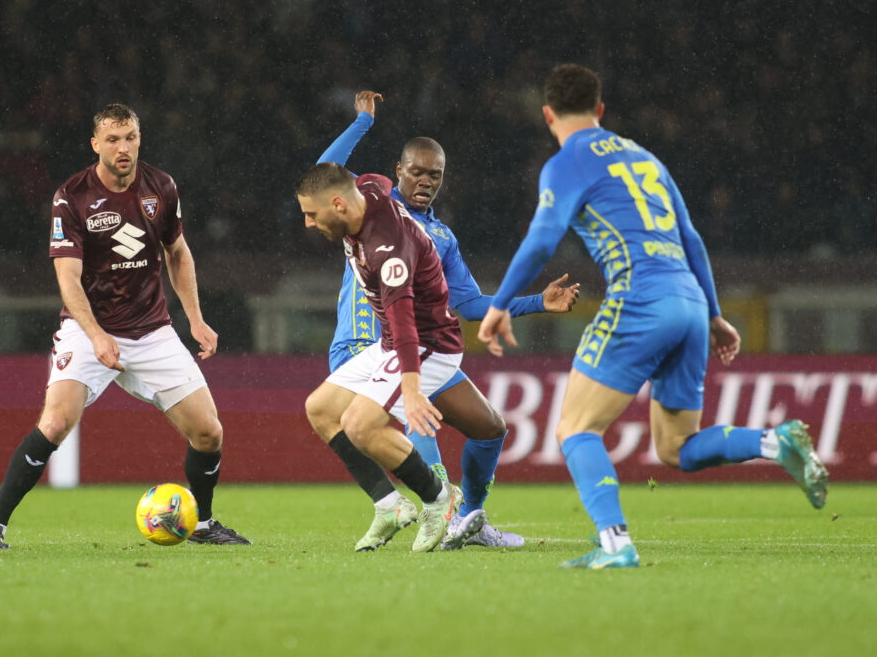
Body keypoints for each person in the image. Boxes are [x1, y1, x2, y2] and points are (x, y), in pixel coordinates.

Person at [478, 64, 830, 569]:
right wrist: (714, 315)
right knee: (677, 447)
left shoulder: (565, 162)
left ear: (548, 114)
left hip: (639, 299)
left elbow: (541, 240)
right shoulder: (645, 157)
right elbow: (692, 239)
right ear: (600, 110)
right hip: (689, 302)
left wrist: (499, 305)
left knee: (575, 429)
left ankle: (615, 544)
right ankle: (775, 441)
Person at [0, 103, 249, 549]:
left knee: (209, 432)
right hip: (88, 329)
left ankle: (202, 523)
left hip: (152, 330)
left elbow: (178, 253)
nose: (123, 148)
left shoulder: (161, 186)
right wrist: (97, 335)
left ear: (139, 139)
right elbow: (67, 278)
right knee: (55, 422)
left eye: (130, 138)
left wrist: (195, 318)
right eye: (113, 139)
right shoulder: (71, 196)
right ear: (95, 144)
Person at [317, 91, 579, 551]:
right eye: (416, 172)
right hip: (366, 345)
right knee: (419, 419)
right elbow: (323, 176)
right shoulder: (372, 204)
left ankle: (467, 519)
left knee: (490, 427)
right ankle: (439, 508)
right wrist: (362, 123)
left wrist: (538, 301)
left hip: (421, 348)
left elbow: (472, 305)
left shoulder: (441, 237)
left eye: (434, 175)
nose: (425, 181)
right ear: (398, 171)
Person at [298, 162, 489, 552]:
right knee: (320, 409)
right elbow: (376, 180)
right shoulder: (369, 189)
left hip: (428, 344)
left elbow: (404, 324)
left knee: (360, 425)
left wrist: (412, 390)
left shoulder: (388, 250)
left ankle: (440, 498)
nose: (308, 223)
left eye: (312, 214)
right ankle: (389, 506)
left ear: (338, 205)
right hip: (391, 342)